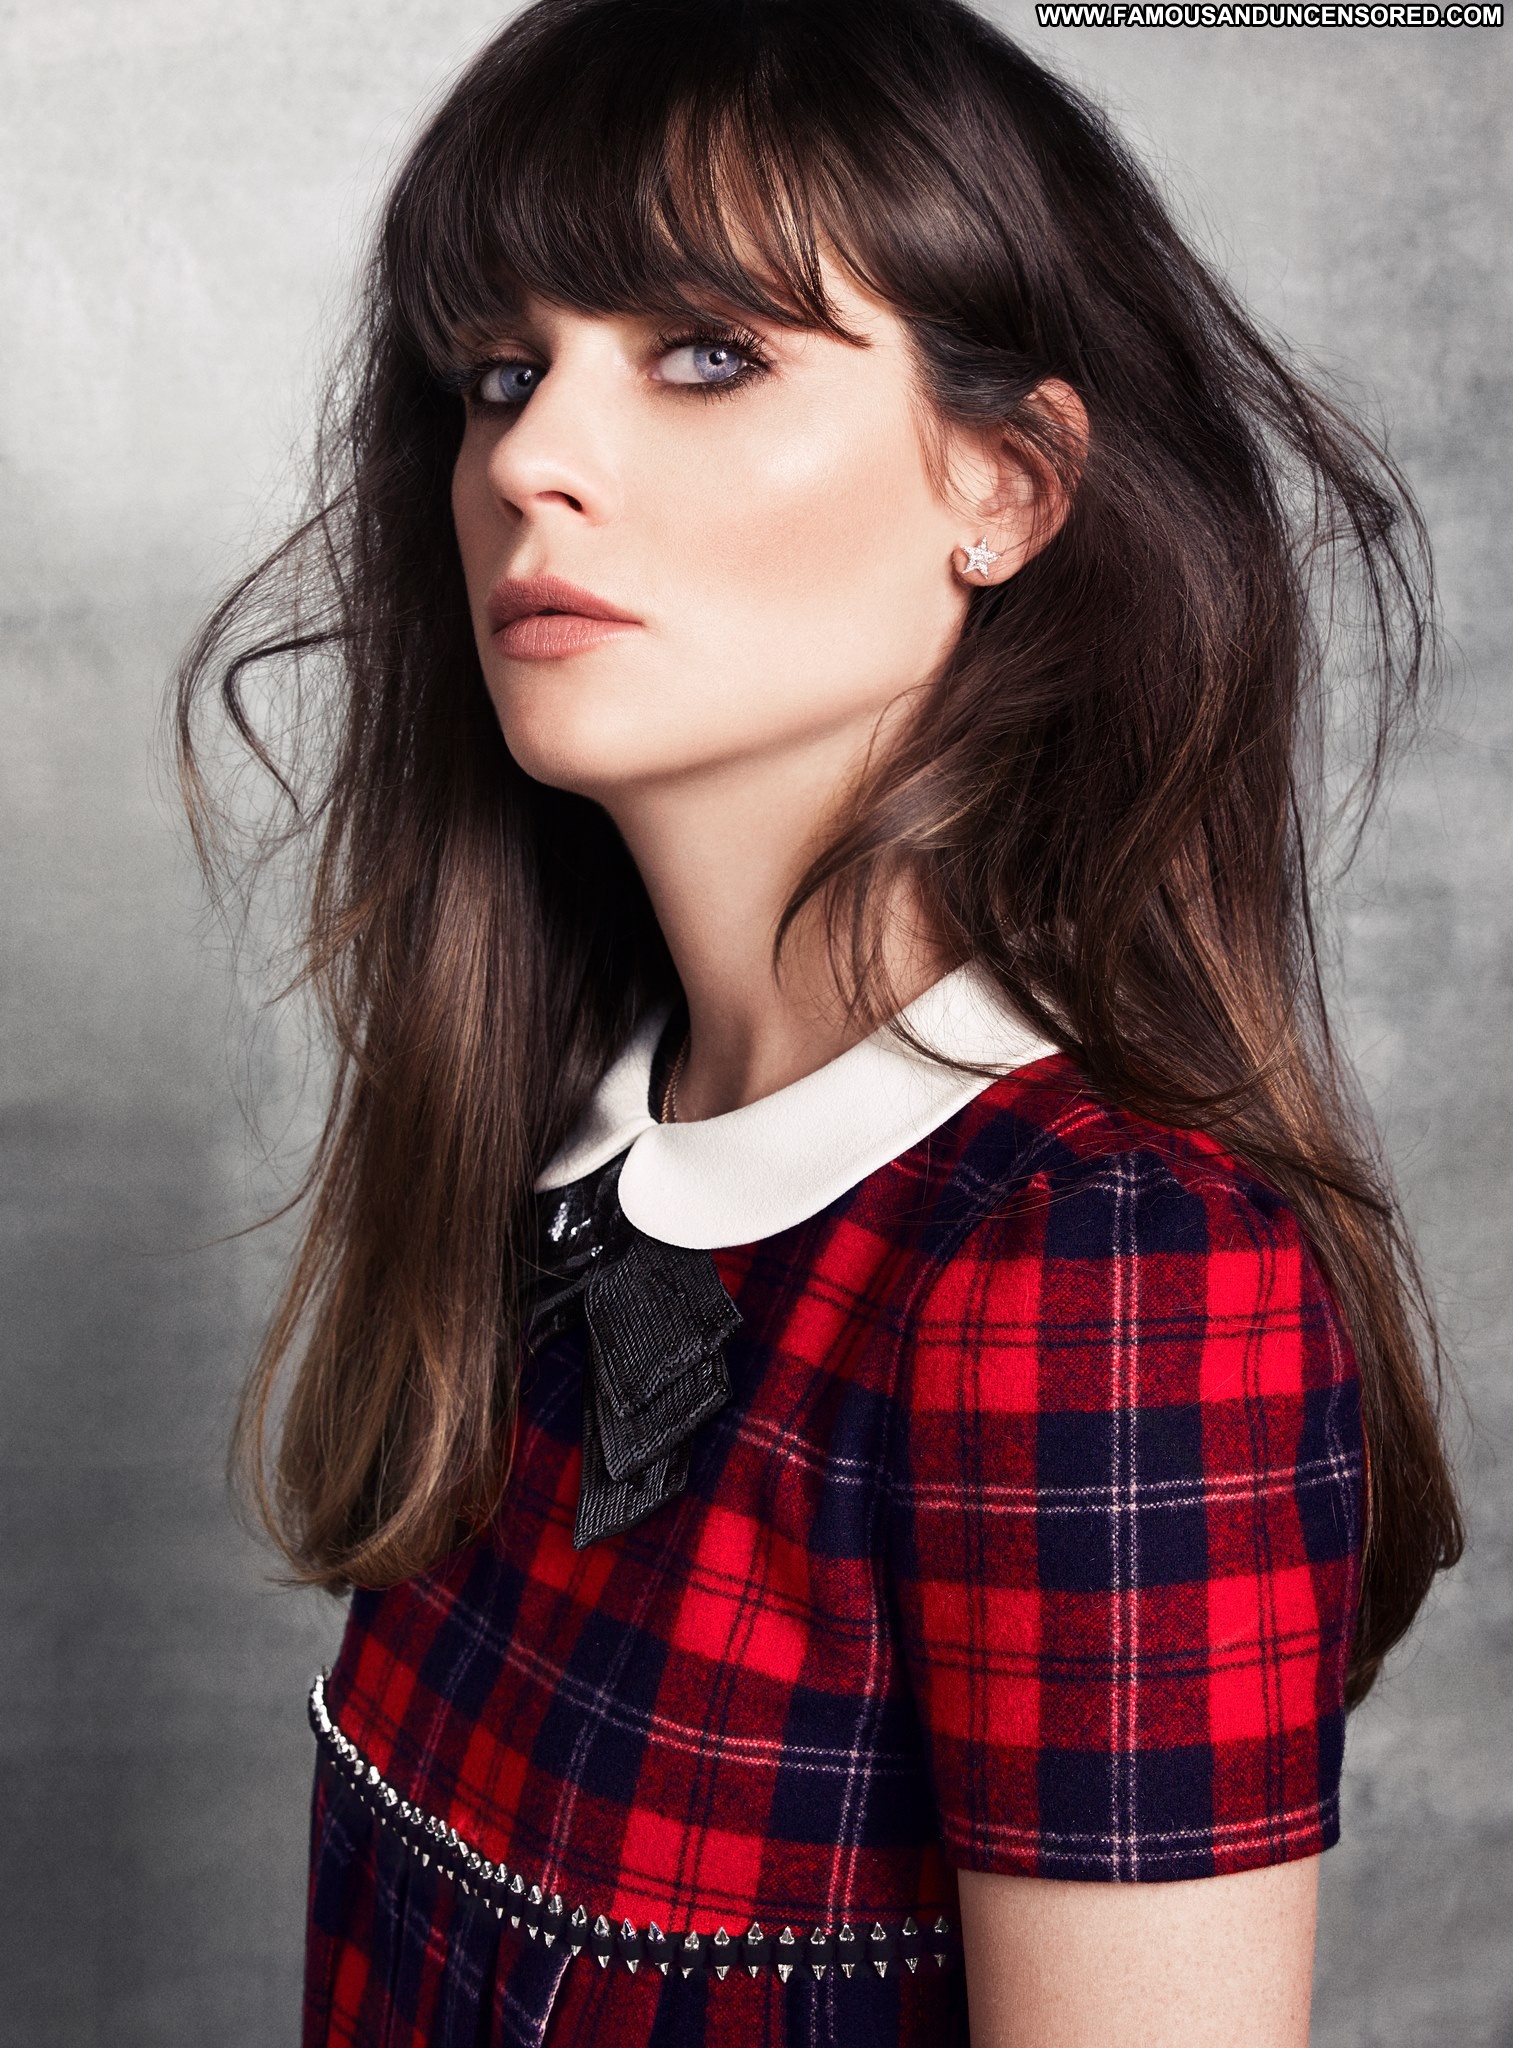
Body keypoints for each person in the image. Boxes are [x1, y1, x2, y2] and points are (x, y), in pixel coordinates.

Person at [175, 1, 1465, 2041]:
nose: (528, 458)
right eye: (499, 372)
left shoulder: (1105, 1272)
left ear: (1005, 484)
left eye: (705, 352)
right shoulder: (557, 1147)